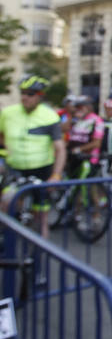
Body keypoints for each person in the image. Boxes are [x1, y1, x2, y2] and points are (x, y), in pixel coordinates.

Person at [0, 77, 66, 237]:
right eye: (22, 93)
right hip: (14, 169)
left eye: (30, 94)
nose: (25, 97)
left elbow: (60, 149)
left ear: (40, 96)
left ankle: (40, 256)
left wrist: (56, 175)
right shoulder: (8, 113)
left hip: (41, 170)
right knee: (6, 205)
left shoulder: (50, 116)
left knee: (41, 218)